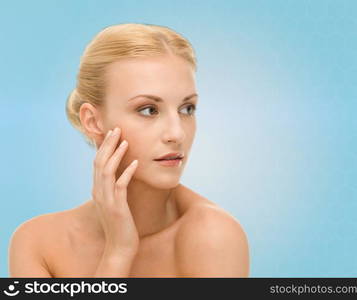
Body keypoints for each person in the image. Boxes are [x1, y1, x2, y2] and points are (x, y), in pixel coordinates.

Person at [8, 23, 250, 277]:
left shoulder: (214, 236)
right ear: (93, 121)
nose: (176, 133)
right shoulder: (37, 244)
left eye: (187, 109)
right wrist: (118, 252)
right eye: (149, 110)